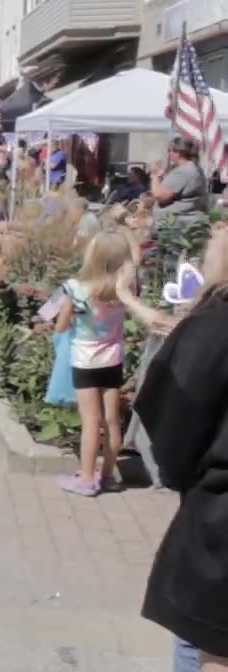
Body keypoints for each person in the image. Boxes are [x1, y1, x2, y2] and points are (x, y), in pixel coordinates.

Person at [131, 222, 228, 672]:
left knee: (209, 650)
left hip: (219, 526)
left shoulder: (214, 327)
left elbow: (171, 422)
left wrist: (180, 474)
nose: (216, 227)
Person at [55, 230, 132, 497]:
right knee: (111, 420)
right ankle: (109, 476)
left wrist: (65, 313)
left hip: (85, 359)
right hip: (113, 358)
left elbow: (61, 326)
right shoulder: (126, 287)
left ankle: (87, 478)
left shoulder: (76, 287)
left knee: (90, 420)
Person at [150, 137, 210, 221]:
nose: (168, 154)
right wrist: (160, 177)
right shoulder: (193, 168)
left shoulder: (184, 172)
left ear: (178, 152)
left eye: (169, 150)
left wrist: (154, 174)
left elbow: (160, 196)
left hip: (175, 224)